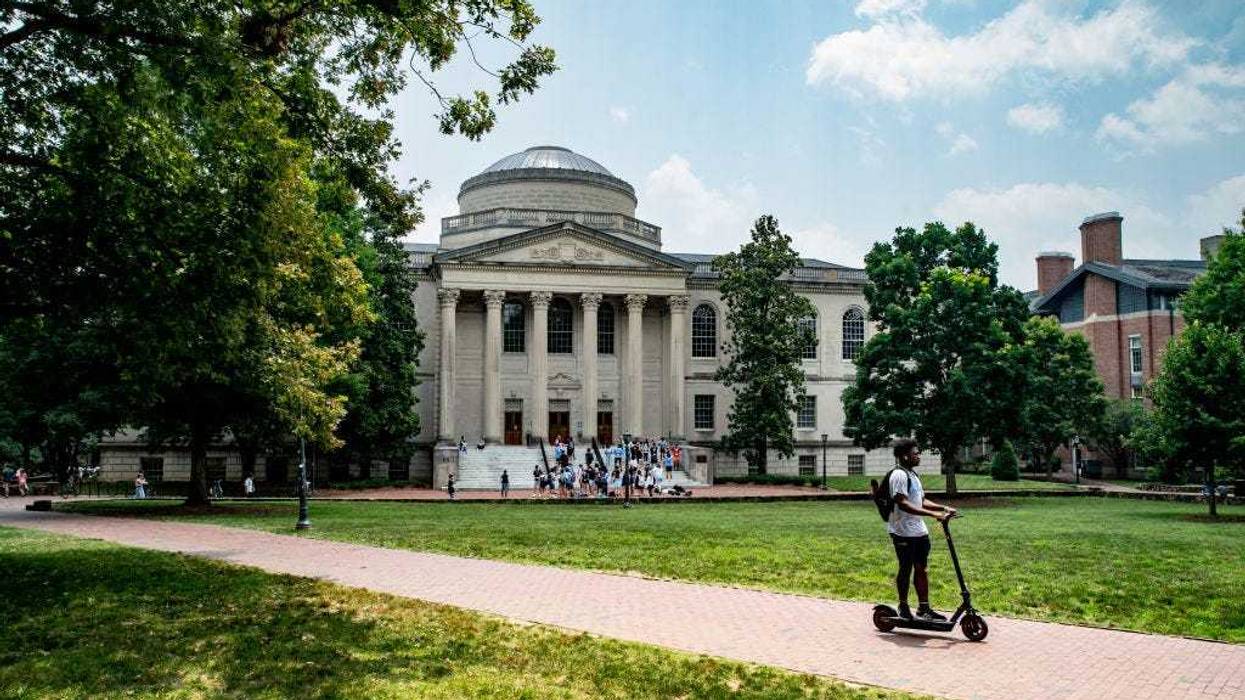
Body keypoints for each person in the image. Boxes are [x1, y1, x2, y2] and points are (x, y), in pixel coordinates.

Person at [887, 438, 956, 621]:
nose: (918, 456)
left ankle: (924, 609)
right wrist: (933, 515)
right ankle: (903, 606)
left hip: (919, 531)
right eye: (915, 453)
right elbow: (902, 503)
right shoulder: (899, 475)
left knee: (921, 569)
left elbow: (921, 500)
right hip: (903, 531)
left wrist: (943, 508)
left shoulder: (913, 475)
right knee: (905, 568)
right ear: (904, 456)